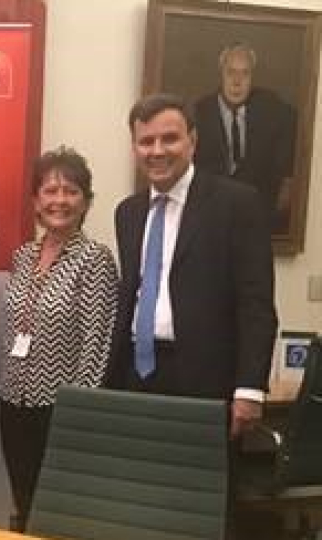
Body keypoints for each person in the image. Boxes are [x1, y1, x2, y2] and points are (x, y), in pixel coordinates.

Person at [108, 93, 277, 440]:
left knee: (201, 491)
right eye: (146, 141)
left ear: (193, 141)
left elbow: (255, 303)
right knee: (134, 487)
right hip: (135, 377)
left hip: (206, 383)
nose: (157, 150)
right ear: (134, 147)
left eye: (169, 138)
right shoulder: (128, 212)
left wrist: (249, 388)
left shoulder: (237, 204)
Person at [0, 147, 118, 532]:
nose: (59, 201)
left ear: (86, 202)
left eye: (71, 191)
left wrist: (78, 411)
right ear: (36, 200)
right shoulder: (23, 256)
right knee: (24, 501)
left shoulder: (95, 260)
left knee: (59, 512)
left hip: (59, 407)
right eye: (50, 191)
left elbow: (96, 346)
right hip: (13, 401)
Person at [193, 42, 297, 233]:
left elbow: (297, 131)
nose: (237, 81)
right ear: (221, 74)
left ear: (252, 77)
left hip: (258, 213)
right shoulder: (200, 112)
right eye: (231, 72)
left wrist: (288, 181)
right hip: (210, 215)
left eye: (245, 73)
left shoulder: (272, 110)